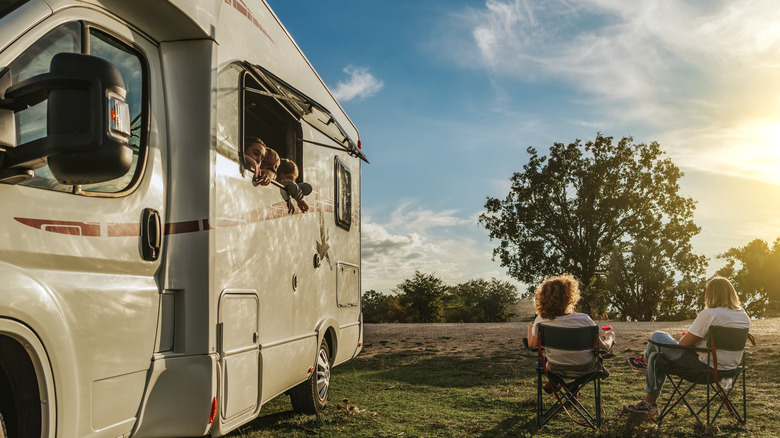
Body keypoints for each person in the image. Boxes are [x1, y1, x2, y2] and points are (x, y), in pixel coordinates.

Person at [625, 276, 750, 416]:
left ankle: (644, 362)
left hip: (703, 370)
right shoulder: (743, 316)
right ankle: (649, 402)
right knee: (656, 356)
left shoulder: (709, 314)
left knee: (657, 336)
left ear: (710, 295)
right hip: (730, 370)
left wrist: (690, 338)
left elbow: (684, 344)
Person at [527, 274, 614, 388]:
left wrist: (530, 328)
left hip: (555, 368)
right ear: (570, 298)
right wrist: (610, 337)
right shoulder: (584, 319)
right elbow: (603, 348)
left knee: (561, 360)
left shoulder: (540, 321)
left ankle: (560, 384)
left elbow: (532, 345)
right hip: (585, 368)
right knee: (592, 358)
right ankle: (570, 388)